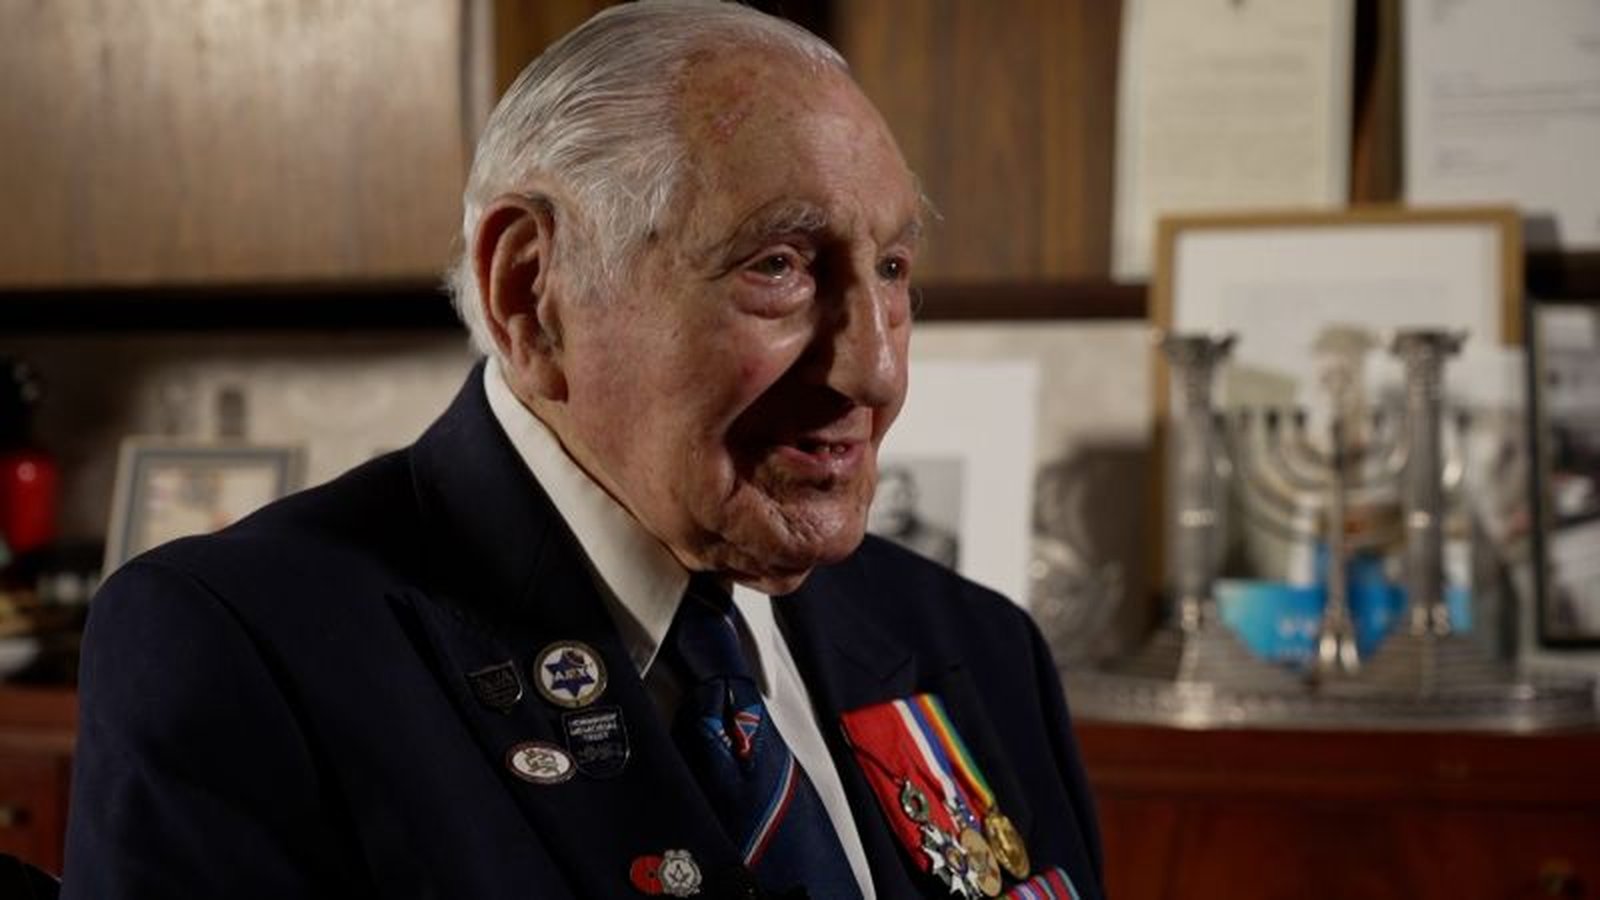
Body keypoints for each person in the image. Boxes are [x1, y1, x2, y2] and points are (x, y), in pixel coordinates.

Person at [62, 4, 1103, 899]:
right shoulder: (241, 649)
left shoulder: (976, 646)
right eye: (778, 266)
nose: (872, 369)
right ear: (531, 291)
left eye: (889, 269)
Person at [868, 465, 961, 569]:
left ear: (913, 498)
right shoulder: (855, 542)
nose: (890, 504)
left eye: (898, 495)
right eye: (882, 496)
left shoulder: (941, 544)